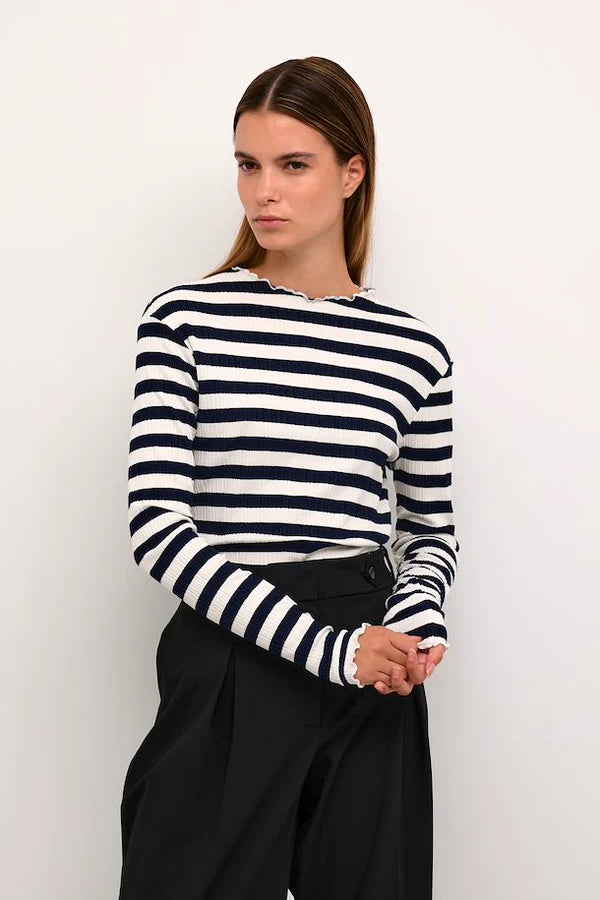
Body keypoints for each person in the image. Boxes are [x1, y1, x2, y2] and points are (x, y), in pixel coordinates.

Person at [118, 55, 460, 900]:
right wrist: (330, 651)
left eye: (293, 164)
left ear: (351, 173)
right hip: (231, 643)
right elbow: (157, 528)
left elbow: (428, 529)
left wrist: (414, 622)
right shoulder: (185, 319)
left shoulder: (413, 350)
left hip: (369, 649)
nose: (263, 191)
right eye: (248, 164)